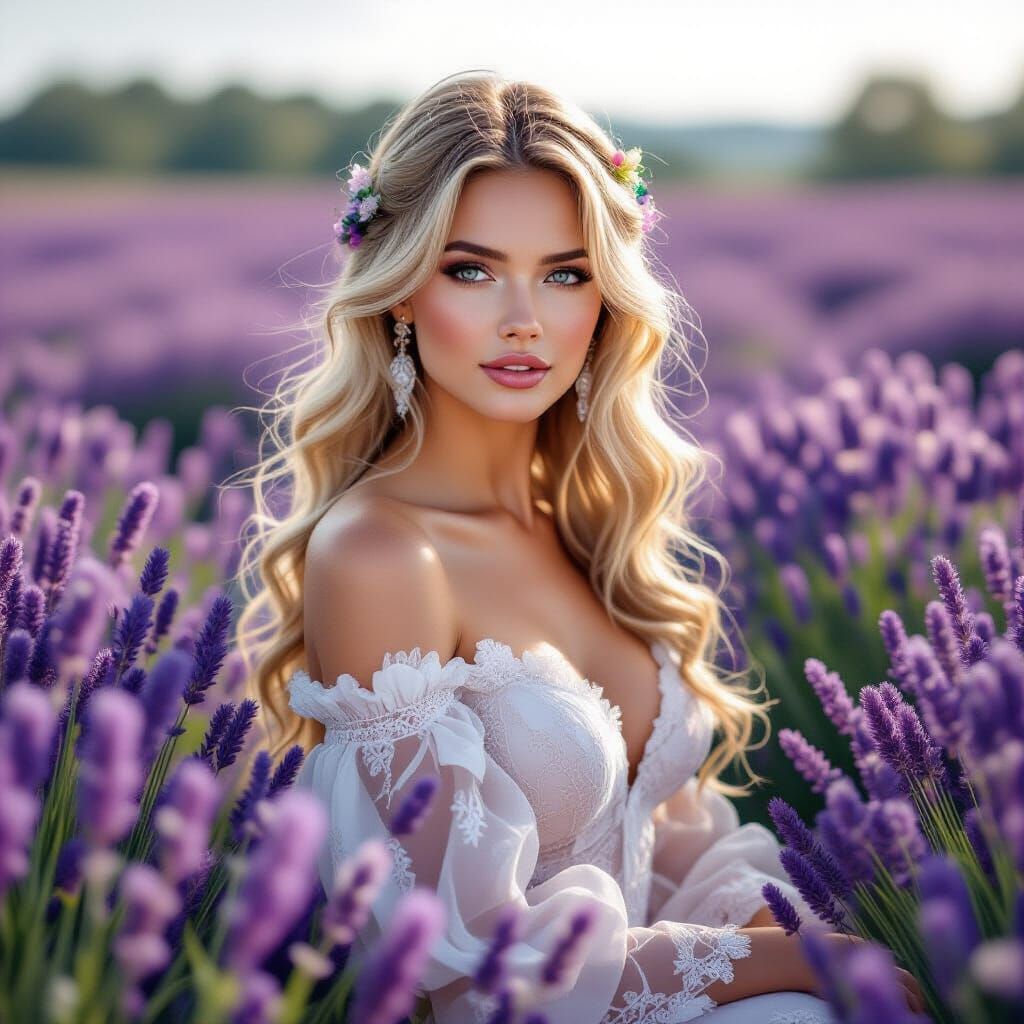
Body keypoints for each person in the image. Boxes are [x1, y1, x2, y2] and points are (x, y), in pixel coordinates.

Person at [235, 69, 925, 1023]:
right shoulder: (384, 556)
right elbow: (470, 968)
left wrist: (803, 939)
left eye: (565, 273)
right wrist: (781, 968)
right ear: (398, 293)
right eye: (470, 269)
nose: (525, 317)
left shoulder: (592, 525)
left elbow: (665, 840)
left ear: (605, 298)